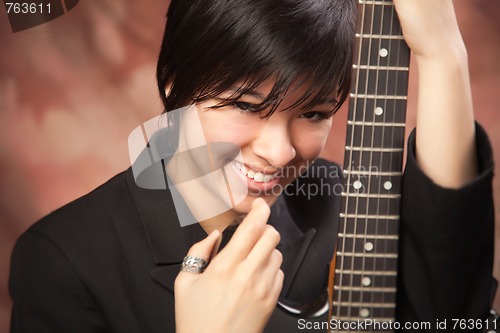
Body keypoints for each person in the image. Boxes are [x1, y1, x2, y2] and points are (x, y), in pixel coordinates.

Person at [9, 0, 495, 332]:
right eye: (246, 104)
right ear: (177, 82)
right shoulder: (63, 262)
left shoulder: (350, 202)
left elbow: (449, 300)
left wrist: (443, 54)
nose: (280, 152)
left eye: (313, 113)